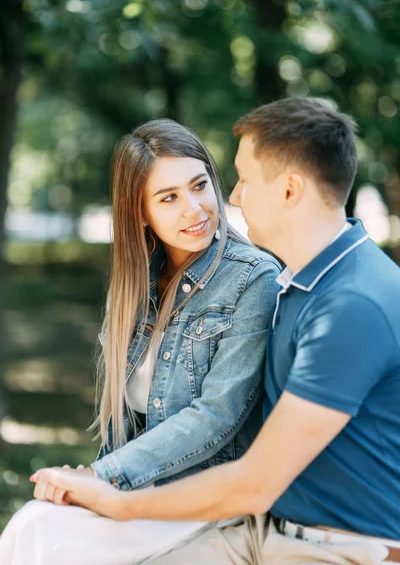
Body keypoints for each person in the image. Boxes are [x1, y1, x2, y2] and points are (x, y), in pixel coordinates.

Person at [25, 98, 400, 565]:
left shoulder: (346, 305)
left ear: (288, 190)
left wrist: (113, 493)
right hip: (269, 528)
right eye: (169, 197)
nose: (233, 197)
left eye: (239, 179)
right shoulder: (303, 285)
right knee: (36, 530)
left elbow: (250, 471)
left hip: (325, 543)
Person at [0, 119, 280, 564]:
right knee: (30, 525)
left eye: (199, 185)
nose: (194, 209)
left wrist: (103, 474)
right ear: (139, 212)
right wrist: (93, 479)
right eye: (169, 198)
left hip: (203, 498)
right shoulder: (137, 282)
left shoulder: (253, 278)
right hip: (141, 489)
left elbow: (217, 417)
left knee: (42, 538)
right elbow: (125, 422)